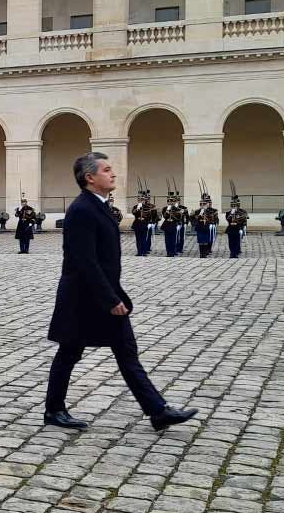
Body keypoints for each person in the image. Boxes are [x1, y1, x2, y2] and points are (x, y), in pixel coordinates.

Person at [45, 152, 197, 431]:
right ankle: (54, 410)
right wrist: (111, 299)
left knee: (126, 351)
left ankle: (158, 410)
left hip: (101, 294)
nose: (112, 174)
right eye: (106, 170)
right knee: (69, 352)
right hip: (84, 298)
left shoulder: (99, 205)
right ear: (90, 178)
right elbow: (85, 261)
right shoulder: (81, 209)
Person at [131, 190, 158, 256]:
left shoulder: (147, 207)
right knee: (138, 239)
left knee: (144, 238)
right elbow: (134, 213)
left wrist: (150, 223)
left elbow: (150, 215)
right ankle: (139, 252)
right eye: (139, 200)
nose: (141, 201)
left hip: (144, 224)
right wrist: (138, 208)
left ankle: (144, 251)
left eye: (142, 200)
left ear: (144, 200)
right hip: (137, 224)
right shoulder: (135, 207)